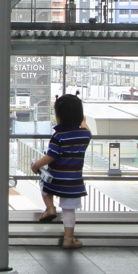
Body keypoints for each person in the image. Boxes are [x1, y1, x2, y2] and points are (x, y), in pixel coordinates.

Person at [30, 94, 91, 249]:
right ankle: (68, 239)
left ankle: (50, 207)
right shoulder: (85, 135)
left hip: (55, 178)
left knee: (44, 183)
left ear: (58, 116)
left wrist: (36, 165)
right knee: (69, 210)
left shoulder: (58, 136)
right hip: (73, 182)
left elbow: (51, 156)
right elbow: (86, 128)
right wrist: (83, 122)